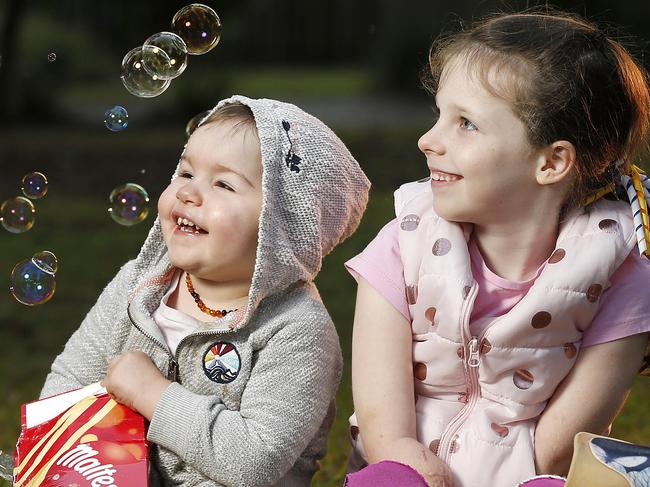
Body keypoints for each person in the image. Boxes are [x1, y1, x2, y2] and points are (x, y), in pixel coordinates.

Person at [344, 10, 650, 487]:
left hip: (529, 474)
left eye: (465, 123)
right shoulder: (405, 243)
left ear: (551, 162)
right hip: (411, 468)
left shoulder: (619, 272)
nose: (428, 140)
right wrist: (406, 459)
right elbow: (383, 416)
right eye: (439, 115)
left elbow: (559, 448)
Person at [40, 95, 371, 486]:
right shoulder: (139, 286)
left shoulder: (297, 329)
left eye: (223, 184)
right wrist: (57, 453)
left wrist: (155, 395)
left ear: (281, 228)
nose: (188, 193)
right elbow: (69, 381)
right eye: (185, 173)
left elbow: (254, 461)